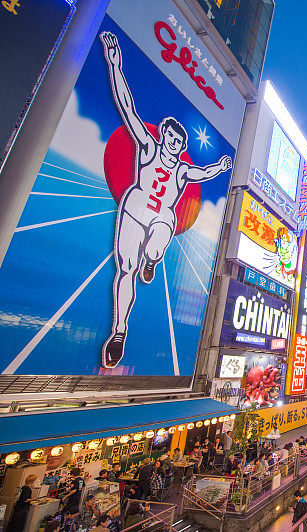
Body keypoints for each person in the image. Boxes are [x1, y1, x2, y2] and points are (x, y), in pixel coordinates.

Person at [97, 32, 233, 368]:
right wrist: (115, 63)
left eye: (177, 141)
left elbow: (205, 172)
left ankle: (152, 259)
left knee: (163, 229)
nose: (172, 143)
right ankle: (119, 330)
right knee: (124, 269)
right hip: (133, 209)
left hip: (160, 217)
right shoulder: (146, 148)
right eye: (169, 138)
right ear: (163, 137)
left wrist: (220, 165)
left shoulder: (183, 171)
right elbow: (127, 107)